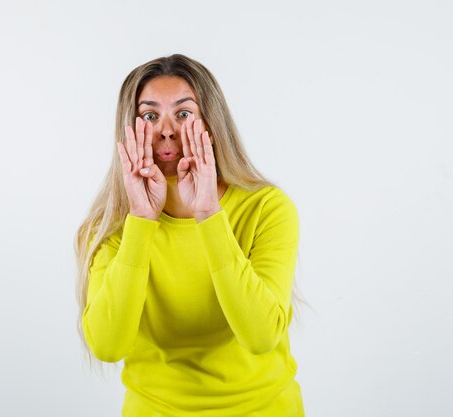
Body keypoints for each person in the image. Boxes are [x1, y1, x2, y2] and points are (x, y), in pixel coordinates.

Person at [75, 53, 305, 416]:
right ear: (130, 129)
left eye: (183, 114)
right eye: (150, 116)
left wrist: (209, 215)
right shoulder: (110, 227)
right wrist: (141, 220)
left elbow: (261, 337)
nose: (167, 129)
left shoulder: (268, 208)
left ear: (211, 123)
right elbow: (107, 345)